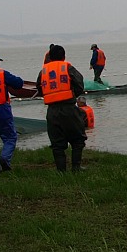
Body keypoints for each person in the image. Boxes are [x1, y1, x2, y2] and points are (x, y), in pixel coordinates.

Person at [38, 44, 87, 173]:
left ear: (50, 57)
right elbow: (79, 83)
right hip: (68, 108)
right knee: (77, 139)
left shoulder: (43, 71)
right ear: (64, 56)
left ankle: (61, 171)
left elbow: (39, 88)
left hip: (52, 110)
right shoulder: (67, 67)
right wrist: (72, 95)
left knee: (57, 144)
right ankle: (76, 168)